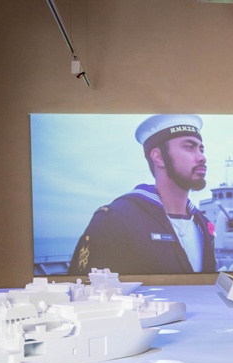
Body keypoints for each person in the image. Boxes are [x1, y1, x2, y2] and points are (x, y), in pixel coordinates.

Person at [68, 114, 216, 275]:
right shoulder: (115, 220)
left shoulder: (202, 225)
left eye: (201, 149)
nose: (202, 157)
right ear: (158, 157)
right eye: (190, 147)